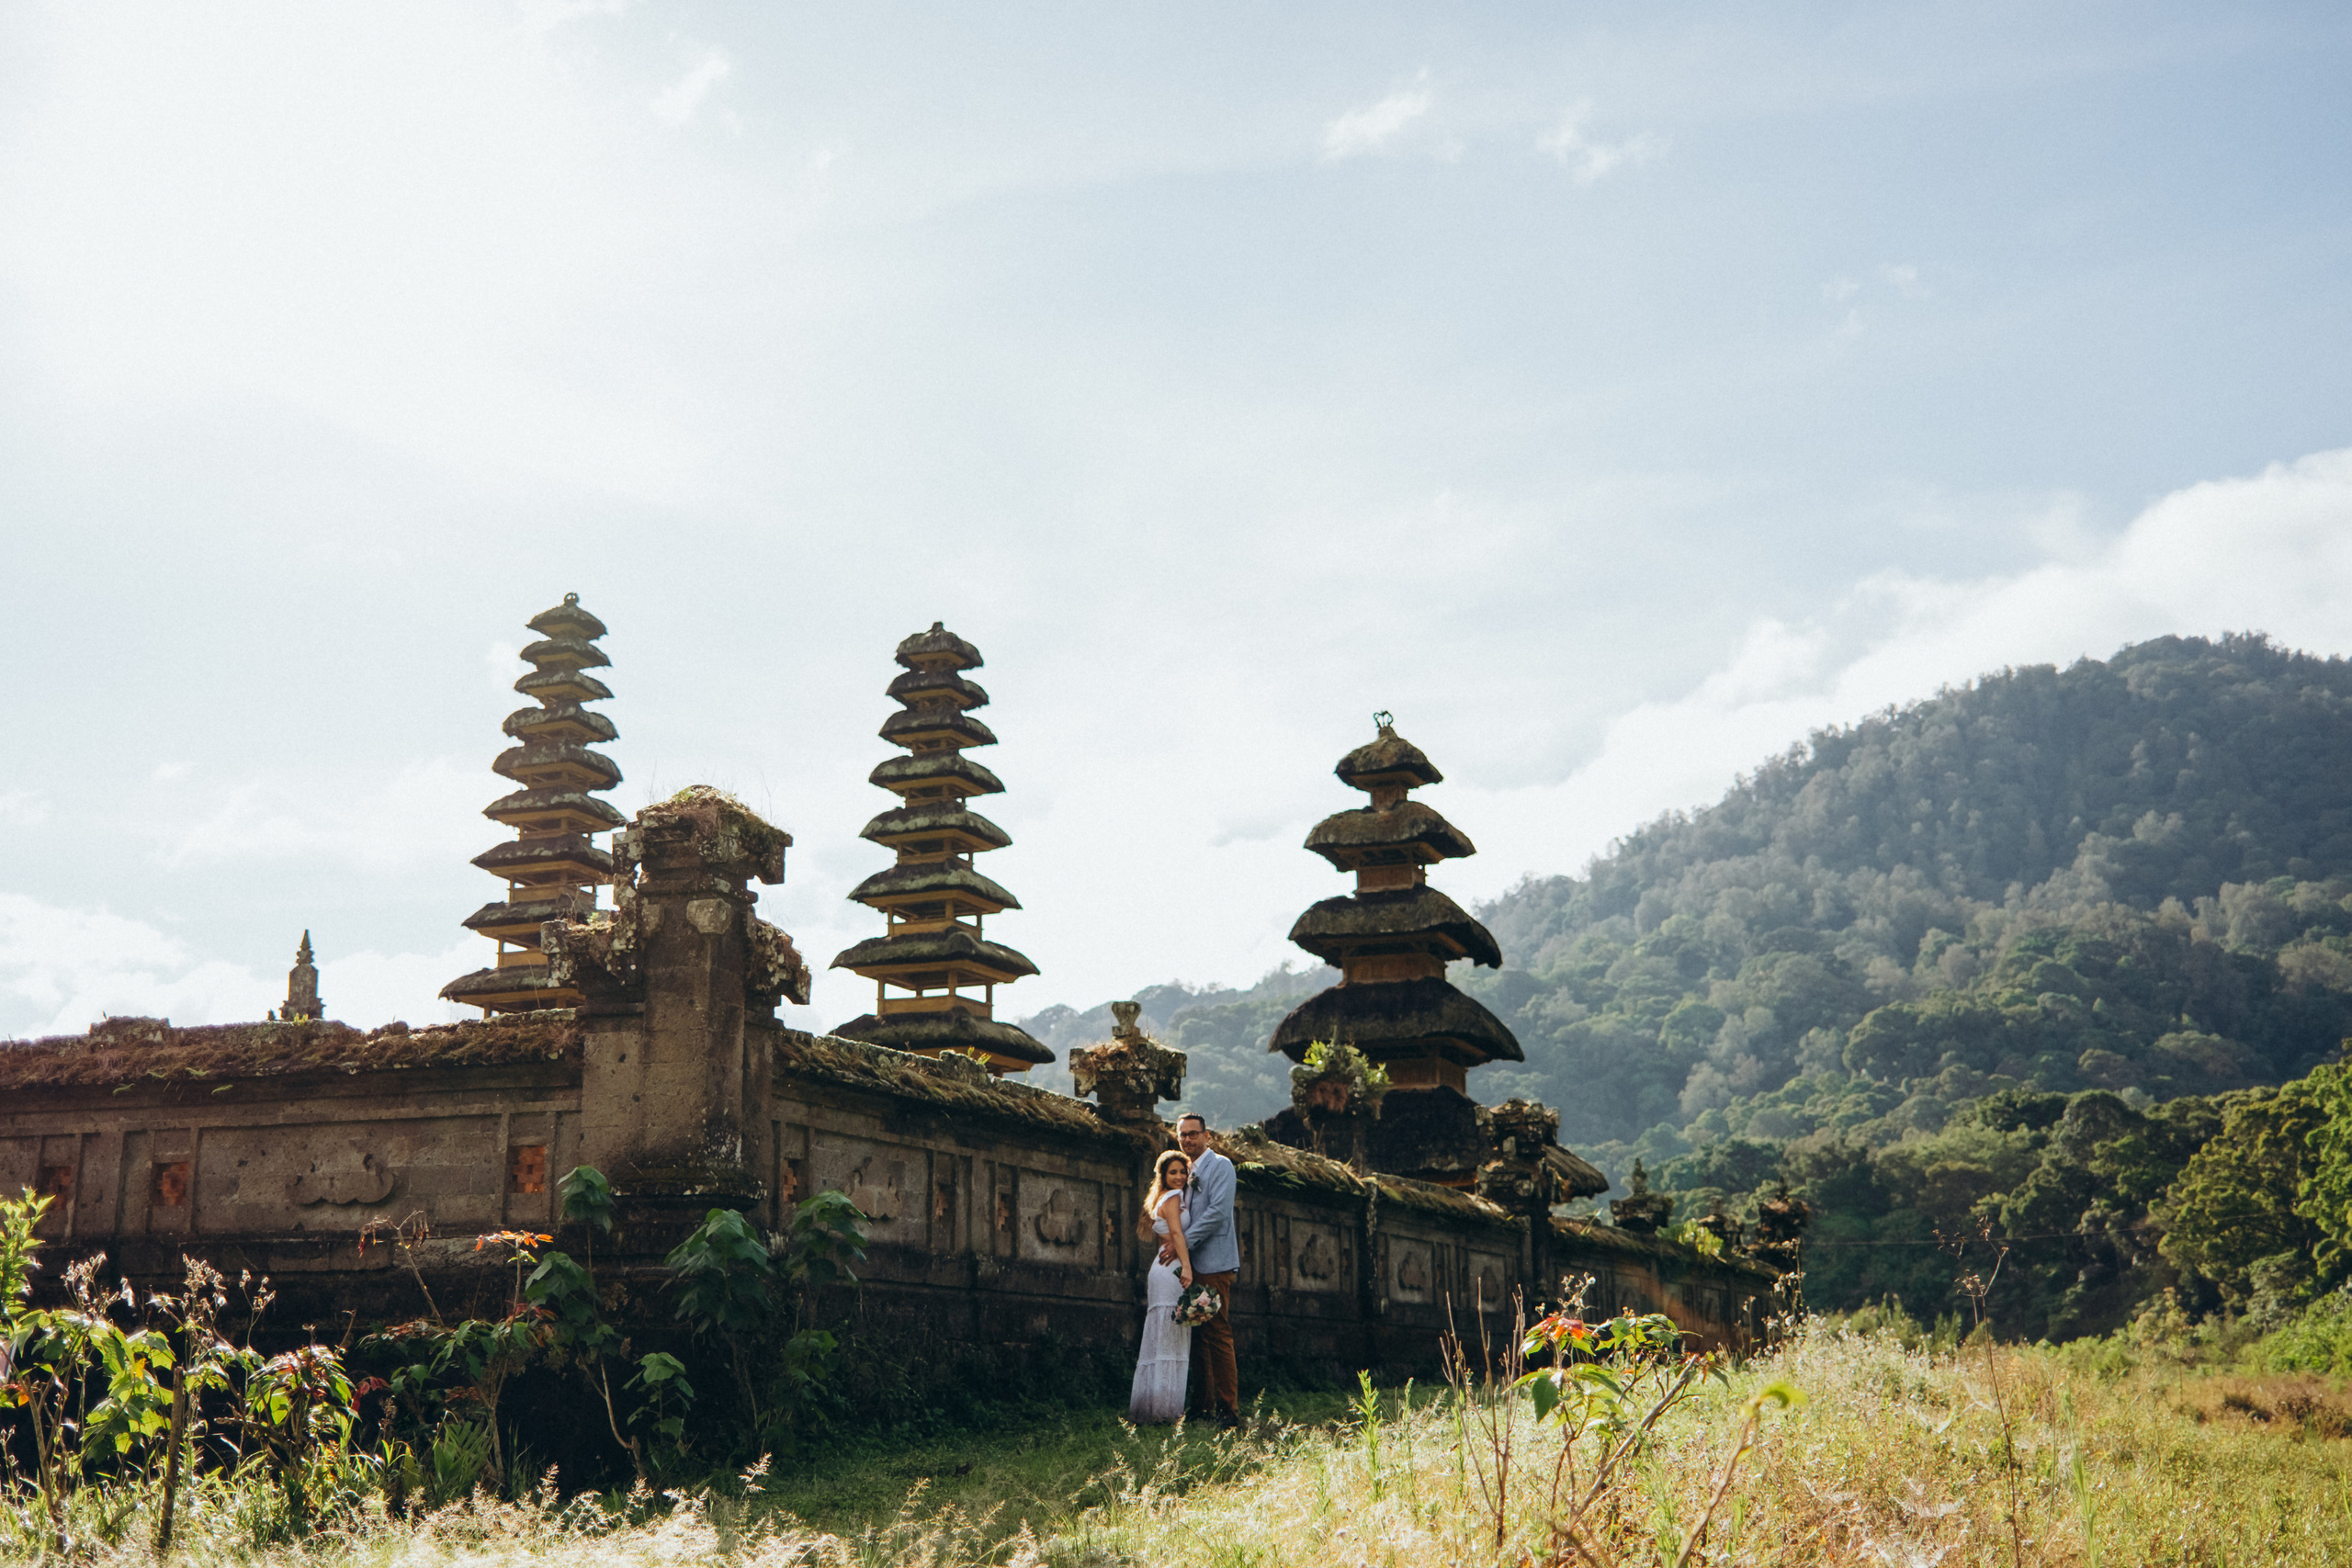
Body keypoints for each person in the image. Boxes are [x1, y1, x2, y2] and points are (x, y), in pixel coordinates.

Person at [1166, 1111, 1239, 1425]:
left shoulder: (1221, 1166)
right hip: (1190, 1264)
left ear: (1207, 1136)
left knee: (1218, 1331)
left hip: (1214, 1260)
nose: (1187, 1139)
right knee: (1197, 1334)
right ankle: (1201, 1406)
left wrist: (1182, 1243)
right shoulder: (1183, 1170)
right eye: (1182, 1134)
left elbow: (1217, 1213)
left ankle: (1228, 1410)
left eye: (1193, 1134)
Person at [1127, 1148, 1194, 1423]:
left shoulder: (1164, 1198)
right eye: (1173, 1172)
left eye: (1182, 1171)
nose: (1179, 1177)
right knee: (1170, 1335)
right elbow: (1177, 1233)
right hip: (1171, 1272)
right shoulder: (1173, 1197)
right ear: (1163, 1176)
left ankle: (1155, 1407)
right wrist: (1188, 1267)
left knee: (1165, 1336)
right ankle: (1164, 1411)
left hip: (1163, 1267)